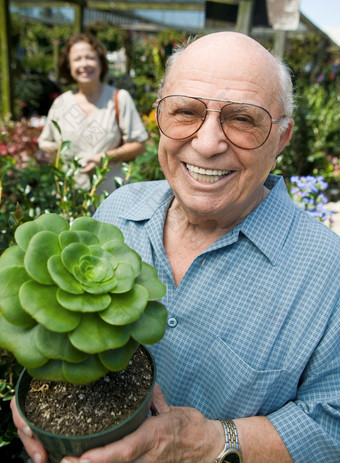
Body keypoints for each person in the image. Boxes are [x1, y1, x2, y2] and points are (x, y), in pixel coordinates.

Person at [11, 32, 340, 463]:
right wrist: (40, 385)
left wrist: (209, 444)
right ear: (159, 117)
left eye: (243, 119)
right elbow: (64, 332)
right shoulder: (118, 209)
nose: (206, 144)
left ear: (280, 140)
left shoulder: (326, 271)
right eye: (185, 111)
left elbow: (330, 425)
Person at [37, 32, 148, 193]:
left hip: (111, 198)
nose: (84, 64)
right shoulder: (62, 103)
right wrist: (44, 155)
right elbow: (49, 145)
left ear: (101, 62)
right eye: (77, 59)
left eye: (90, 57)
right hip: (70, 199)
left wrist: (105, 157)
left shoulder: (118, 99)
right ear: (69, 66)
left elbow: (139, 145)